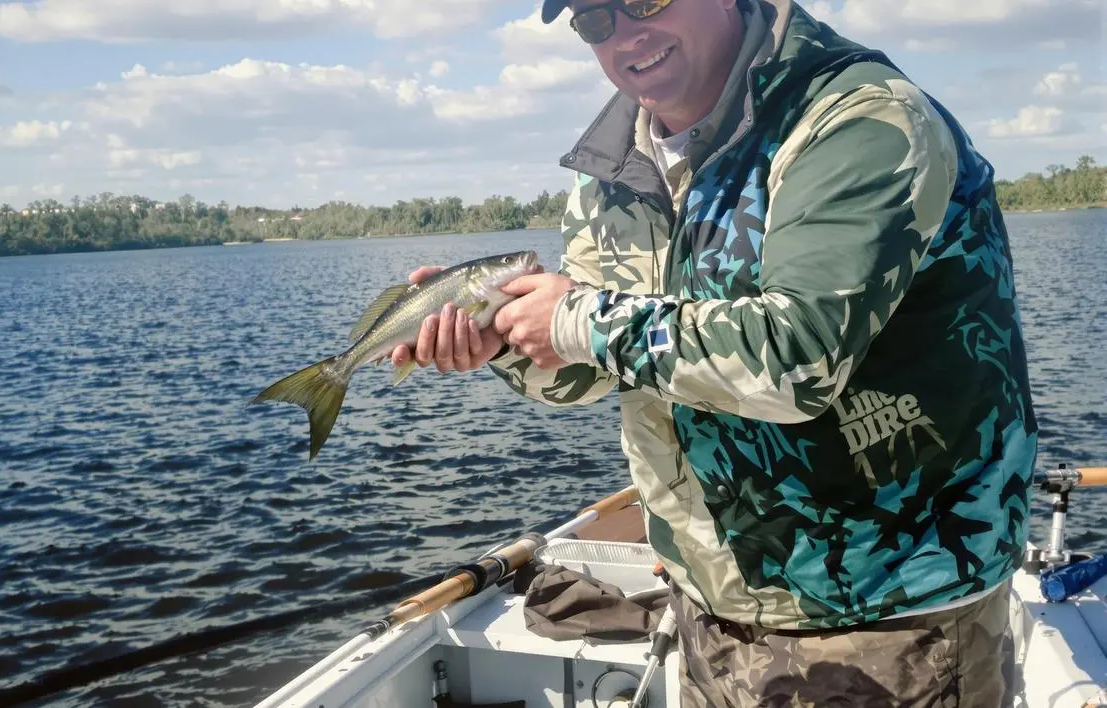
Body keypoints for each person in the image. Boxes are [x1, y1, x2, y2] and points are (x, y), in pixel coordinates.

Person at [391, 0, 1037, 704]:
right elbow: (594, 367)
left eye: (644, 0)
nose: (625, 34)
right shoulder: (616, 164)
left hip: (890, 616)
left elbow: (796, 359)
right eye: (594, 21)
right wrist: (505, 342)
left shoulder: (857, 118)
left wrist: (577, 319)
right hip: (707, 604)